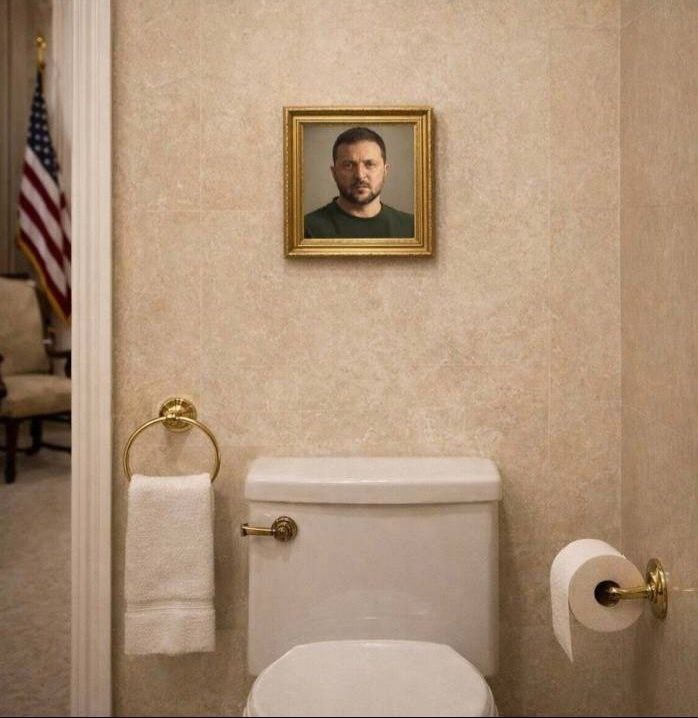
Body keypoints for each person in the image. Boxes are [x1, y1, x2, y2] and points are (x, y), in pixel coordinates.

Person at [304, 127, 414, 238]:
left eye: (369, 164)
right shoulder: (307, 229)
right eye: (348, 165)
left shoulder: (411, 227)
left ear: (385, 171)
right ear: (334, 173)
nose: (360, 176)